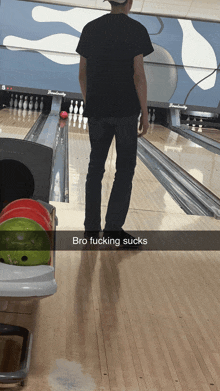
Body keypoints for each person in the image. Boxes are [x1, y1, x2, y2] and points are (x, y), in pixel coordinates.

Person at [76, 0, 154, 248]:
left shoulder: (90, 28)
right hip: (126, 112)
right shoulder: (137, 29)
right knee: (124, 169)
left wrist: (91, 102)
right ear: (129, 2)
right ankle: (113, 229)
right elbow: (138, 74)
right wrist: (144, 111)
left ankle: (90, 229)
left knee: (95, 168)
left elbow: (82, 73)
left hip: (98, 110)